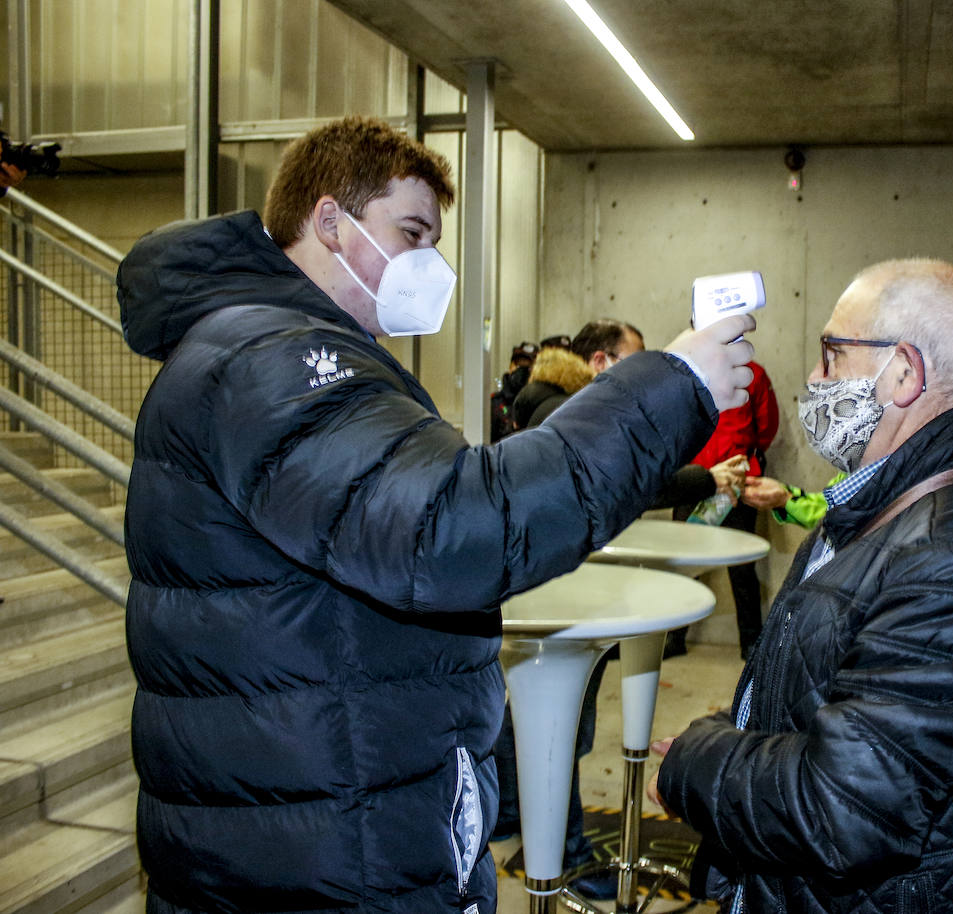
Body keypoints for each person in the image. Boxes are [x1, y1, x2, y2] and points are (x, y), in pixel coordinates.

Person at [115, 115, 755, 914]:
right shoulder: (275, 359)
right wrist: (672, 386)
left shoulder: (270, 347)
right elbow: (448, 528)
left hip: (318, 808)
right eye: (411, 232)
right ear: (329, 222)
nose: (429, 263)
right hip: (330, 846)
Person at [649, 258, 953, 913]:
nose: (816, 380)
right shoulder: (895, 505)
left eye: (832, 355)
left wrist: (695, 762)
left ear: (904, 372)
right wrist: (738, 734)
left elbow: (843, 805)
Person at [493, 316, 745, 899]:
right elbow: (625, 481)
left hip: (550, 580)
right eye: (634, 361)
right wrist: (705, 480)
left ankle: (511, 810)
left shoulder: (551, 401)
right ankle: (565, 849)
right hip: (557, 587)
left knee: (532, 714)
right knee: (565, 726)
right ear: (602, 363)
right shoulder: (556, 409)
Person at [674, 361, 778, 658]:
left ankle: (751, 642)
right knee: (680, 563)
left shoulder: (752, 374)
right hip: (691, 479)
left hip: (737, 480)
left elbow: (766, 425)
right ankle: (673, 637)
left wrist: (743, 459)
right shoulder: (688, 373)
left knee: (743, 567)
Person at [740, 472, 844, 530]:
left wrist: (784, 499)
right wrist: (785, 497)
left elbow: (833, 521)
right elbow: (825, 502)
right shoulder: (848, 470)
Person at [489, 340, 537, 442]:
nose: (521, 372)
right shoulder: (495, 404)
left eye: (527, 367)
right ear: (511, 366)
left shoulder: (539, 403)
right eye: (519, 366)